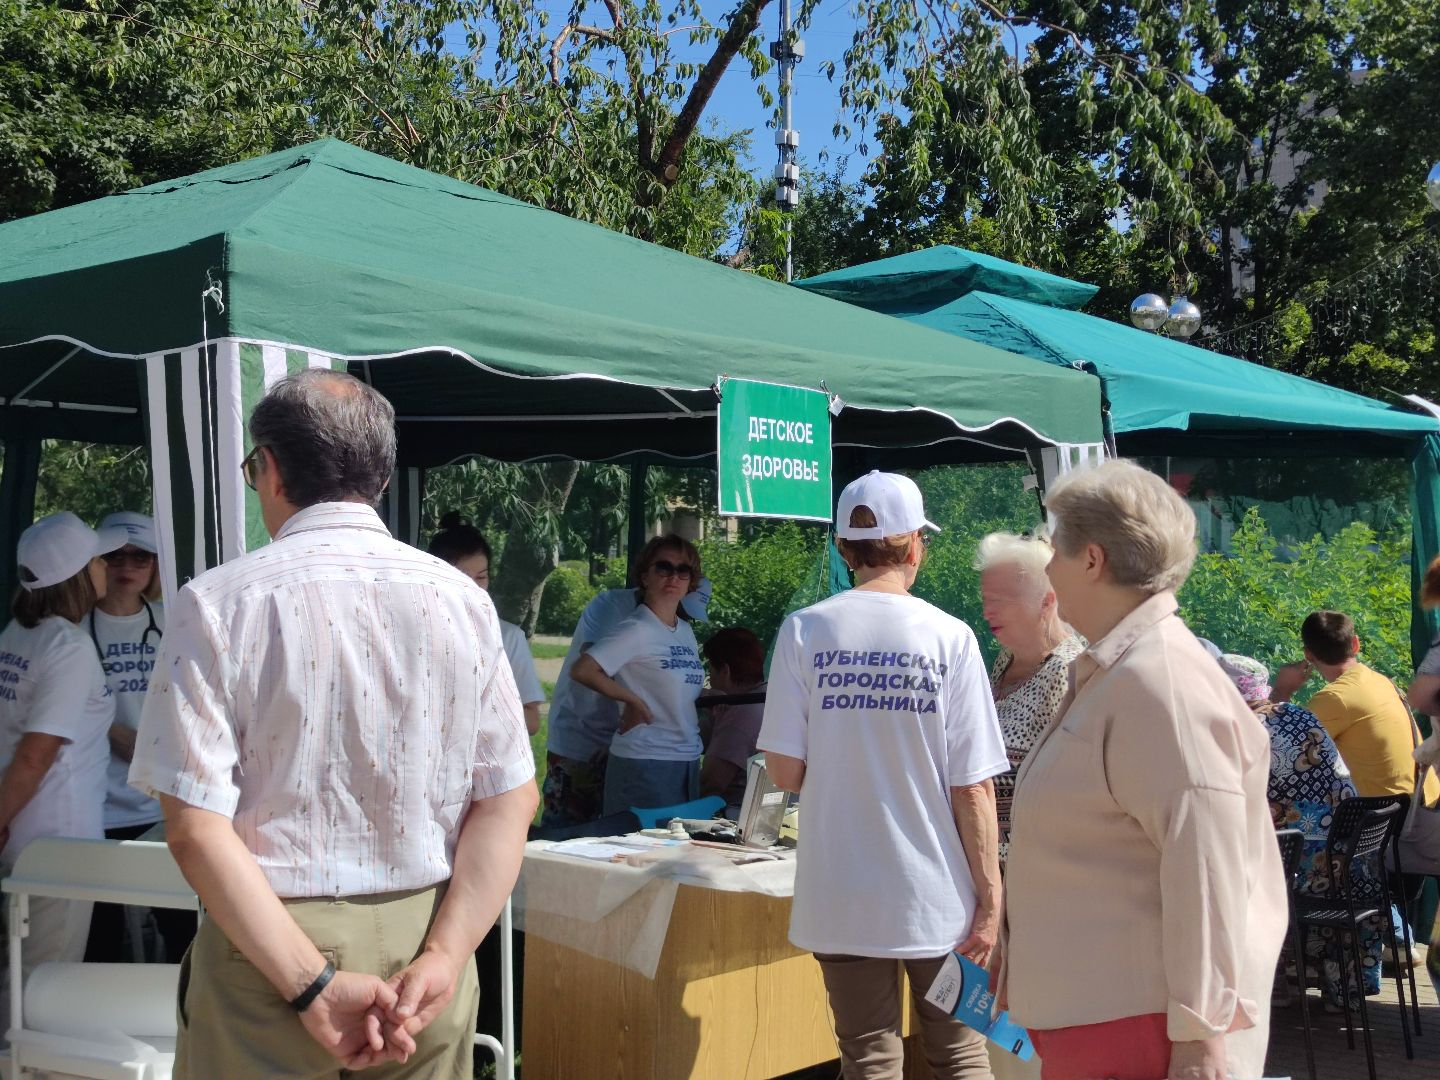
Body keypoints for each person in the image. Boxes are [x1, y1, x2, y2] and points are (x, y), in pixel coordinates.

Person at [130, 369, 537, 1078]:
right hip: (428, 934)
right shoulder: (463, 603)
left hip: (270, 945)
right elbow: (510, 797)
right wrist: (446, 952)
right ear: (380, 478)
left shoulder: (218, 603)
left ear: (270, 469)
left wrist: (309, 982)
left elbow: (196, 826)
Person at [1003, 459, 1286, 1080]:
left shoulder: (1161, 683)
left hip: (1137, 1031)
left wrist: (1199, 1040)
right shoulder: (1127, 671)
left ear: (1093, 560)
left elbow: (1204, 866)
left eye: (1054, 548)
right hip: (1102, 1018)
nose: (1047, 567)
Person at [759, 470, 1007, 1080]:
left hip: (841, 892)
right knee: (960, 1055)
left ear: (845, 550)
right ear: (916, 543)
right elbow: (972, 786)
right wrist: (992, 898)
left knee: (868, 1057)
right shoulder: (951, 638)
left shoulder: (804, 631)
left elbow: (785, 771)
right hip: (937, 899)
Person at [0, 512, 125, 1022]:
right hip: (58, 846)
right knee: (40, 989)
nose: (106, 567)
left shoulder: (18, 633)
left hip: (25, 840)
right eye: (98, 558)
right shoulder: (69, 647)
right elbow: (36, 753)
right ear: (78, 573)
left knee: (15, 979)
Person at [1219, 653, 1382, 1010]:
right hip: (1350, 862)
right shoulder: (1298, 713)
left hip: (1303, 870)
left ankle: (1266, 983)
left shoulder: (1245, 730)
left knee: (1231, 879)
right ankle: (1335, 989)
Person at [82, 511, 198, 965]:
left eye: (141, 556)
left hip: (158, 802)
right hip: (100, 805)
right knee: (102, 937)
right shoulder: (74, 627)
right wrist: (110, 731)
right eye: (113, 555)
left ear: (155, 565)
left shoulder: (173, 621)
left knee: (180, 930)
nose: (126, 564)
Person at [540, 568, 710, 829]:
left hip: (624, 740)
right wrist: (635, 701)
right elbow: (593, 660)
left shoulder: (678, 628)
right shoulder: (617, 606)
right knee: (568, 831)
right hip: (583, 735)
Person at [572, 535, 706, 815]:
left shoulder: (684, 630)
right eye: (664, 567)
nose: (674, 576)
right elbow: (584, 669)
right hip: (645, 759)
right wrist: (632, 701)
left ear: (691, 581)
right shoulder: (636, 628)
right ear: (645, 575)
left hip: (686, 758)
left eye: (684, 570)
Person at [974, 531, 1083, 863]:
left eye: (1001, 600)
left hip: (1039, 870)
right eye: (985, 599)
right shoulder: (1005, 661)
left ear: (1047, 601)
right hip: (991, 865)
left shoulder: (1069, 672)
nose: (987, 612)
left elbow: (1075, 793)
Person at [1275, 611, 1440, 808]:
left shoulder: (1335, 699)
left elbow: (1279, 752)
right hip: (1429, 801)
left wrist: (1282, 690)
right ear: (1355, 644)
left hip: (1397, 824)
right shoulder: (1381, 681)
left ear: (1308, 654)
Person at [428, 512, 546, 735]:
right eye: (462, 578)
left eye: (481, 577)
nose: (474, 588)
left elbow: (531, 721)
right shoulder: (416, 629)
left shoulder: (507, 636)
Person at [698, 627, 767, 807]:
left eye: (711, 670)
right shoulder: (768, 698)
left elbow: (711, 783)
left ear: (725, 671)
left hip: (730, 813)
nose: (710, 680)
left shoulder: (742, 712)